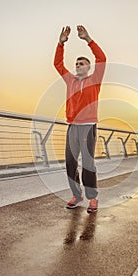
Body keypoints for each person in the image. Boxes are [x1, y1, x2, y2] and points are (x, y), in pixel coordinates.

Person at [54, 25, 106, 213]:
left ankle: (93, 198)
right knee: (70, 162)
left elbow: (102, 58)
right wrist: (61, 43)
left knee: (88, 164)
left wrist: (88, 39)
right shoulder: (71, 81)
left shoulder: (95, 80)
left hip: (88, 126)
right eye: (76, 64)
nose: (78, 66)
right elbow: (58, 65)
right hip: (72, 127)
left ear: (89, 67)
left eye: (81, 64)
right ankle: (77, 195)